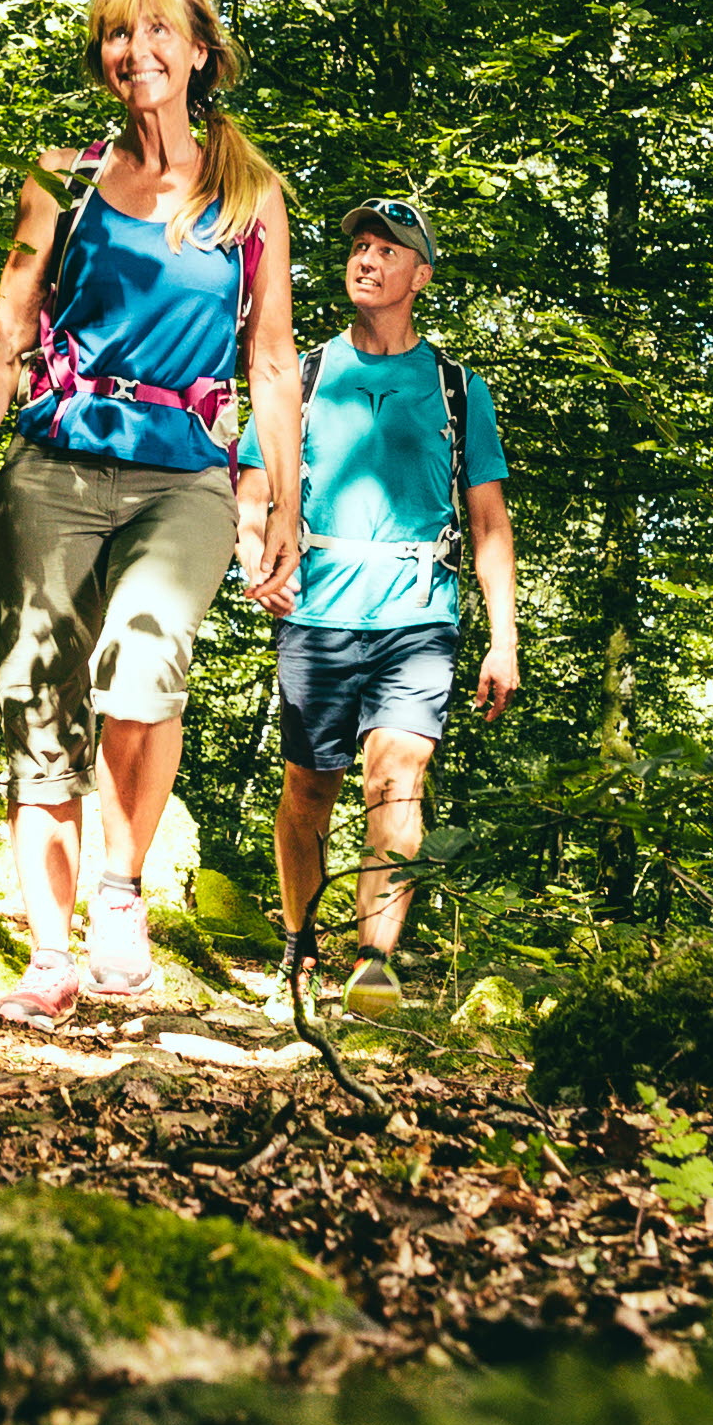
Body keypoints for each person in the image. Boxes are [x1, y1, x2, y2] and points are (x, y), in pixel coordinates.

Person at [0, 0, 306, 1022]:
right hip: (52, 463)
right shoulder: (57, 178)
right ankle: (48, 957)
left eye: (158, 32)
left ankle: (118, 888)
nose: (135, 50)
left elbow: (272, 361)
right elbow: (7, 324)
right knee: (36, 703)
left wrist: (278, 500)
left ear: (199, 51)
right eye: (115, 35)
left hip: (182, 475)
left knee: (142, 663)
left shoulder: (251, 193)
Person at [235, 196, 515, 1010]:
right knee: (309, 788)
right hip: (317, 613)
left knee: (396, 779)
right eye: (359, 246)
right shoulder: (308, 373)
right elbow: (252, 487)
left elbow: (488, 520)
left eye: (387, 251)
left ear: (420, 276)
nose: (366, 259)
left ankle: (374, 963)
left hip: (419, 616)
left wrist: (504, 640)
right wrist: (258, 562)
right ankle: (298, 941)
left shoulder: (459, 390)